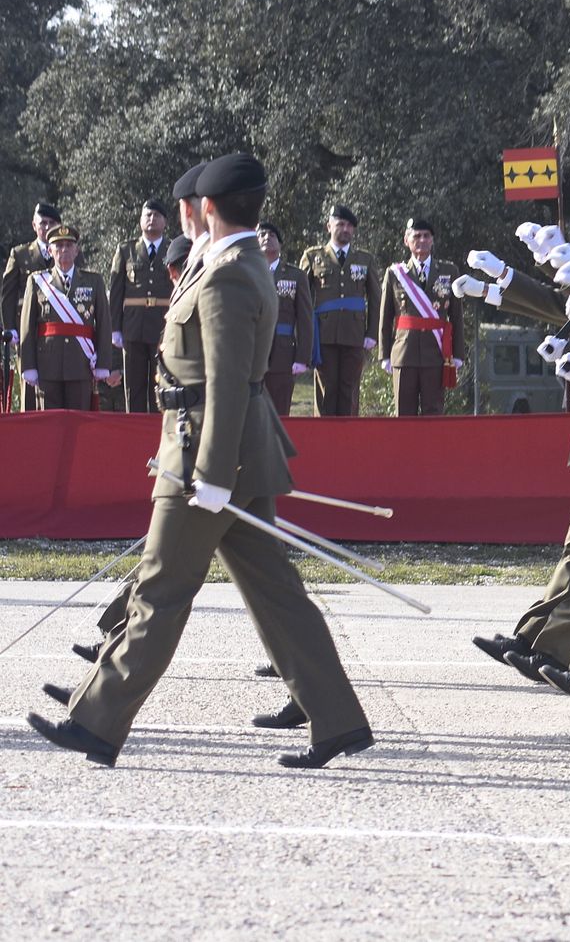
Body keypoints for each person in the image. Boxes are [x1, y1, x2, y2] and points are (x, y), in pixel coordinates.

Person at [27, 152, 373, 769]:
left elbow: (228, 381)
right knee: (275, 592)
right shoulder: (226, 263)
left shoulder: (233, 272)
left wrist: (211, 476)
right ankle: (339, 720)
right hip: (217, 448)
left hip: (208, 453)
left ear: (207, 208)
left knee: (161, 585)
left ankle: (97, 723)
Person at [18, 225, 117, 410]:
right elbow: (27, 328)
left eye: (69, 245)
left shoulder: (94, 281)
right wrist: (28, 365)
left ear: (76, 250)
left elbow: (104, 324)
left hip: (80, 364)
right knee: (49, 426)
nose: (64, 249)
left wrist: (103, 363)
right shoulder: (37, 281)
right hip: (48, 365)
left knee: (79, 426)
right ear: (49, 250)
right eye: (58, 245)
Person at [377, 217, 464, 416]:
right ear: (406, 240)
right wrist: (384, 355)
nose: (422, 240)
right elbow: (385, 317)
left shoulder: (449, 271)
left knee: (433, 413)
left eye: (426, 236)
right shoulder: (395, 273)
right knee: (404, 414)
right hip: (403, 354)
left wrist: (458, 354)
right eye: (416, 236)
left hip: (435, 355)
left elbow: (456, 317)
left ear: (433, 240)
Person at [299, 204, 380, 415]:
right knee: (326, 390)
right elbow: (302, 301)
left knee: (350, 391)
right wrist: (304, 338)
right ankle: (324, 442)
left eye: (350, 226)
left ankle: (349, 442)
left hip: (354, 336)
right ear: (329, 226)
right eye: (341, 224)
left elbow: (375, 298)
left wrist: (372, 333)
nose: (346, 229)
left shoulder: (365, 259)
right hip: (323, 336)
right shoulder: (313, 256)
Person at [108, 199, 175, 412]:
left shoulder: (174, 250)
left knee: (161, 386)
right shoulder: (126, 250)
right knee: (134, 388)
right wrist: (115, 328)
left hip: (163, 329)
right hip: (133, 328)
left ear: (165, 222)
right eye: (147, 215)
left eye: (157, 215)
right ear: (140, 221)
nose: (152, 219)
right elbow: (117, 292)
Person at [3, 202, 64, 410]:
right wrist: (9, 327)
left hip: (58, 330)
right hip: (27, 329)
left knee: (56, 385)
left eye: (51, 223)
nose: (47, 228)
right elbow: (8, 295)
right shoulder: (20, 254)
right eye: (43, 223)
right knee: (29, 382)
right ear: (34, 225)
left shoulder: (69, 251)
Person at [257, 222, 313, 415]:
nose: (266, 237)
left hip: (283, 354)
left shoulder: (295, 275)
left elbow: (305, 319)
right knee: (253, 413)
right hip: (252, 352)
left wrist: (302, 357)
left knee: (280, 413)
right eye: (262, 234)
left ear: (280, 244)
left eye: (272, 234)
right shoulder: (245, 272)